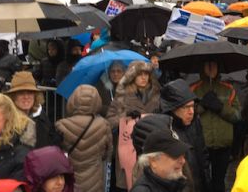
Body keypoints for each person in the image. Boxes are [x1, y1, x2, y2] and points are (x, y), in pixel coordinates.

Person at [106, 60, 160, 190]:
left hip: (151, 151)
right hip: (129, 152)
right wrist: (125, 116)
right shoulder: (121, 97)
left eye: (146, 74)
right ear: (132, 76)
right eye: (139, 74)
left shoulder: (156, 97)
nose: (143, 77)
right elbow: (108, 122)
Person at [190, 61, 240, 192]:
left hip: (223, 143)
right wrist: (202, 106)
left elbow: (237, 116)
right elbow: (187, 115)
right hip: (202, 144)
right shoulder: (193, 89)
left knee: (219, 181)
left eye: (214, 65)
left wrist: (221, 108)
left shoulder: (229, 89)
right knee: (202, 180)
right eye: (208, 65)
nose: (211, 68)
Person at [55, 84, 112, 192]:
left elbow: (57, 154)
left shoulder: (61, 125)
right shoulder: (104, 125)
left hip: (69, 179)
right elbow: (107, 153)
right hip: (94, 179)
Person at [159, 79, 208, 192]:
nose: (191, 111)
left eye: (193, 106)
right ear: (173, 108)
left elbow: (203, 155)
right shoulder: (165, 129)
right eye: (186, 107)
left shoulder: (195, 123)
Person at [6, 71, 60, 148]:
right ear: (13, 96)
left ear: (35, 96)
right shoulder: (5, 119)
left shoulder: (42, 118)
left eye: (30, 92)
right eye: (21, 93)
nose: (26, 97)